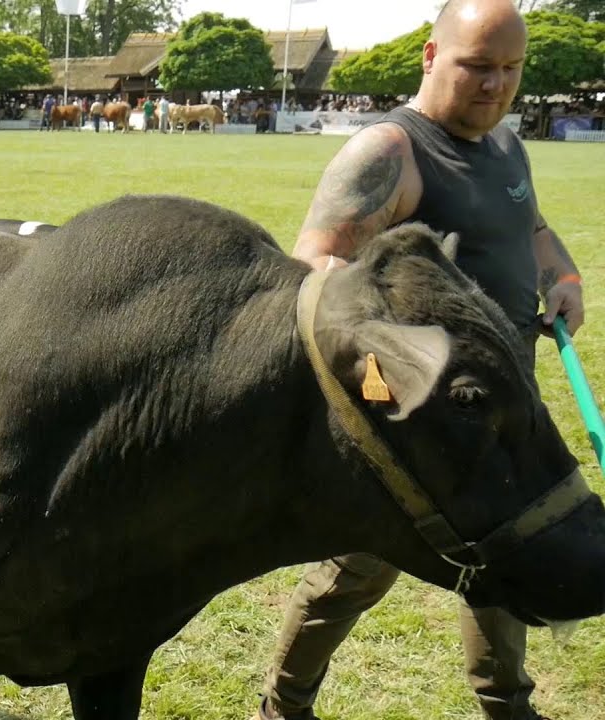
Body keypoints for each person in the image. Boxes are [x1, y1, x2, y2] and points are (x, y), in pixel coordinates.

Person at [255, 2, 585, 719]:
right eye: (476, 66)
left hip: (502, 409)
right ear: (432, 58)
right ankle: (282, 706)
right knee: (358, 571)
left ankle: (507, 704)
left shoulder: (505, 144)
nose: (495, 85)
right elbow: (311, 274)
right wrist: (396, 380)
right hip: (417, 426)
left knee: (508, 545)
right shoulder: (390, 153)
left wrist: (561, 277)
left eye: (509, 69)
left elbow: (529, 225)